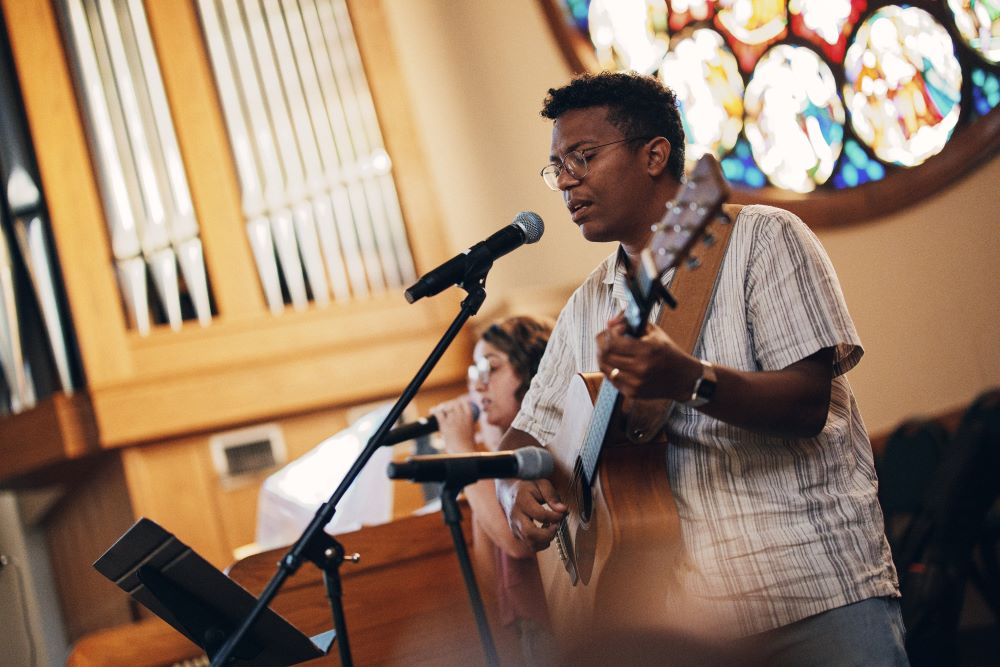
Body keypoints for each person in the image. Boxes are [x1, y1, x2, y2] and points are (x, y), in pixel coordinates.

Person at [496, 71, 907, 665]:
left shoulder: (763, 238)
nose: (564, 181)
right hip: (688, 626)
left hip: (815, 594)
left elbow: (806, 403)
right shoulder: (585, 305)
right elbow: (525, 434)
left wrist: (688, 380)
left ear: (654, 155)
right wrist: (516, 489)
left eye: (583, 157)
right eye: (556, 165)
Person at [431, 315, 556, 666]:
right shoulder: (496, 456)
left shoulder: (545, 450)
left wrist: (461, 449)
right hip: (527, 632)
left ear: (532, 371)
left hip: (562, 625)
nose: (479, 386)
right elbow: (490, 574)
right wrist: (478, 454)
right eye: (475, 372)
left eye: (492, 368)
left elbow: (517, 543)